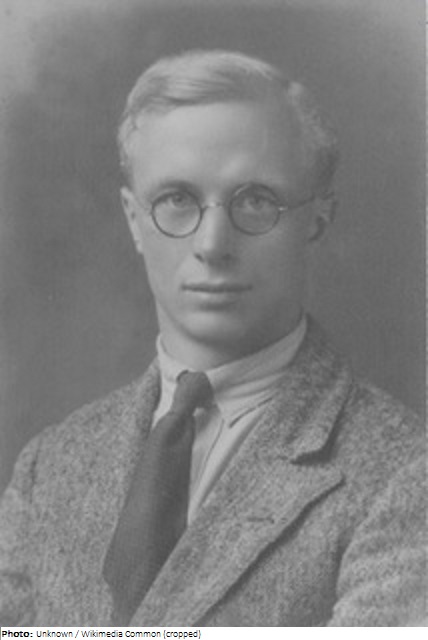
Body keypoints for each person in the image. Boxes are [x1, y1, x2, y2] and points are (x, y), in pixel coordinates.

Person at [0, 49, 425, 627]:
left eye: (256, 201)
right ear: (134, 220)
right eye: (177, 200)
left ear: (318, 219)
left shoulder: (403, 472)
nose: (212, 244)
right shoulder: (50, 466)